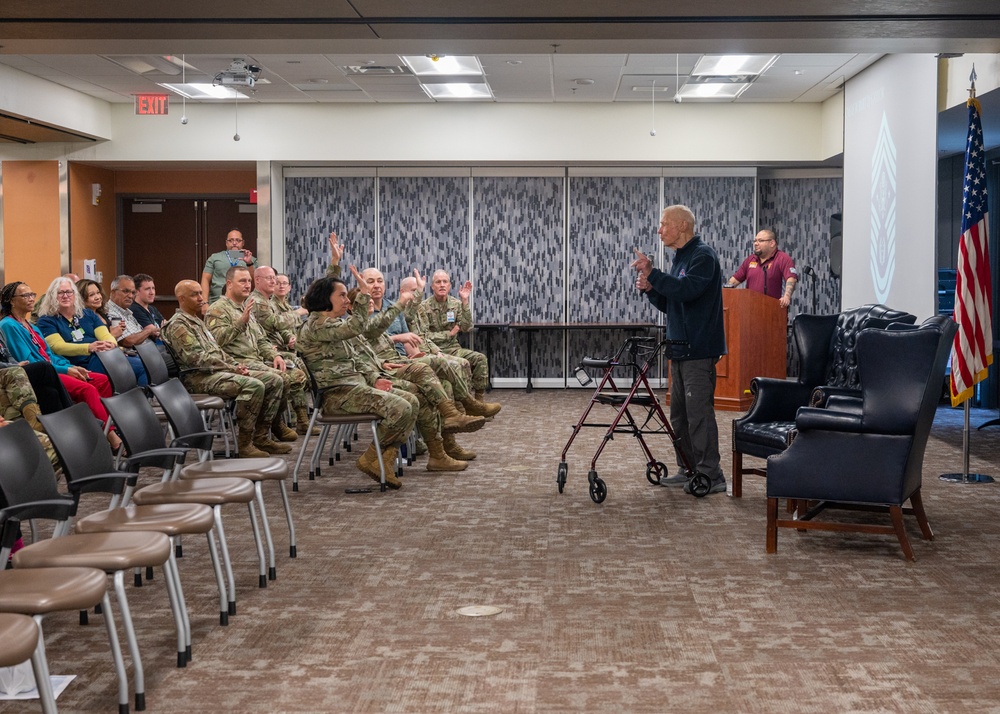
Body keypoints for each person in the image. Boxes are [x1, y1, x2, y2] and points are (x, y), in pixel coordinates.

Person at [630, 204, 727, 495]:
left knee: (699, 413)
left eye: (664, 224)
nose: (659, 230)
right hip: (679, 347)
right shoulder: (679, 258)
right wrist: (651, 290)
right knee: (680, 417)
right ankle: (688, 468)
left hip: (699, 349)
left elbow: (687, 290)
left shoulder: (703, 256)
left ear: (682, 226)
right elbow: (673, 302)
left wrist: (653, 273)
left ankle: (712, 474)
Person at [296, 268, 418, 489]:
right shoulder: (318, 325)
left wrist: (374, 379)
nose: (345, 300)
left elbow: (358, 359)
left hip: (355, 388)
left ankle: (380, 461)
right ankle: (372, 458)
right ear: (326, 299)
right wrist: (363, 295)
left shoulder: (334, 324)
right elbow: (357, 325)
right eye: (341, 295)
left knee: (412, 401)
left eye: (345, 295)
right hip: (337, 395)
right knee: (400, 407)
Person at [163, 279, 289, 459]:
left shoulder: (195, 321)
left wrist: (236, 365)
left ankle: (261, 437)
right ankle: (245, 444)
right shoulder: (179, 325)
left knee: (274, 380)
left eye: (201, 293)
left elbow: (217, 352)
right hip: (197, 378)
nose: (201, 298)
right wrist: (232, 368)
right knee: (253, 386)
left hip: (214, 372)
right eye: (195, 294)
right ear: (181, 299)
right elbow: (197, 359)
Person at [0, 281, 122, 451]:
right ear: (12, 301)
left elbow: (50, 354)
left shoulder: (31, 325)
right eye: (25, 296)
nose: (31, 299)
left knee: (100, 380)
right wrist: (66, 369)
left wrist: (69, 366)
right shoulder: (8, 325)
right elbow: (31, 361)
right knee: (87, 389)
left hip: (55, 367)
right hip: (40, 374)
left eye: (32, 295)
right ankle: (112, 438)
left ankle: (100, 430)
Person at [205, 265, 307, 443]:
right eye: (242, 281)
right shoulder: (218, 309)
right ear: (229, 283)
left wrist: (274, 355)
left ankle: (271, 426)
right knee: (278, 379)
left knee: (290, 374)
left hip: (256, 360)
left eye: (249, 281)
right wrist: (240, 323)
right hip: (236, 363)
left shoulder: (245, 306)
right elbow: (216, 341)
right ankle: (261, 435)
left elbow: (261, 340)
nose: (247, 285)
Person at [35, 276, 148, 387]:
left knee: (144, 366)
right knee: (125, 371)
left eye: (69, 292)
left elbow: (105, 335)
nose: (65, 296)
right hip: (78, 362)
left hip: (103, 356)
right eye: (60, 293)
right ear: (52, 296)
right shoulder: (46, 320)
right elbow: (57, 346)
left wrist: (110, 343)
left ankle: (139, 401)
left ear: (75, 295)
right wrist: (89, 347)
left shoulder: (87, 314)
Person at [419, 270, 491, 401]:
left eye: (445, 282)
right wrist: (449, 333)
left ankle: (479, 400)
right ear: (432, 286)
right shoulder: (424, 307)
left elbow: (466, 327)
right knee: (462, 364)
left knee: (480, 359)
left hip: (454, 349)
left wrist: (464, 301)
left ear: (449, 285)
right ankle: (464, 402)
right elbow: (424, 336)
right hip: (434, 351)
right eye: (438, 282)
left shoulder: (456, 304)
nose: (442, 285)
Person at [726, 229, 798, 308]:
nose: (756, 244)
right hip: (750, 310)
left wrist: (786, 297)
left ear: (772, 243)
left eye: (760, 241)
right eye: (755, 241)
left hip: (772, 311)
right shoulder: (750, 260)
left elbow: (791, 278)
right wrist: (725, 292)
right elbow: (734, 280)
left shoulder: (782, 258)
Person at [201, 229, 256, 304]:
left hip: (242, 303)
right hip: (216, 301)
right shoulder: (215, 257)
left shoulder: (251, 260)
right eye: (231, 240)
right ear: (226, 243)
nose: (234, 243)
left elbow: (254, 282)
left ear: (243, 243)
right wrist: (204, 302)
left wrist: (249, 263)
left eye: (238, 240)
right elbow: (205, 279)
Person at [106, 275, 161, 348]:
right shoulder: (110, 312)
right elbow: (128, 342)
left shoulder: (127, 311)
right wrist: (149, 331)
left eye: (133, 292)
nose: (131, 296)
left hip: (147, 350)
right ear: (113, 292)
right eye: (126, 291)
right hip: (132, 355)